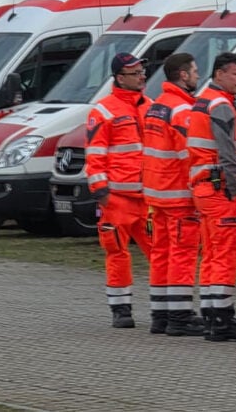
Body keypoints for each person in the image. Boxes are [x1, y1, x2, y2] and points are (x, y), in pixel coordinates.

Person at [187, 52, 236, 341]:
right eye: (235, 74)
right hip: (219, 190)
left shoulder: (202, 102)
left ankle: (211, 313)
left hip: (203, 187)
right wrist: (234, 186)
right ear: (218, 74)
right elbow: (228, 151)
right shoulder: (220, 105)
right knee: (225, 257)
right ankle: (222, 319)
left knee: (211, 255)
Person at [85, 52, 153, 329]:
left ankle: (172, 306)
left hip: (149, 197)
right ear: (119, 77)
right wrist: (101, 191)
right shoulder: (103, 110)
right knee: (116, 252)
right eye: (135, 72)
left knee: (163, 252)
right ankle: (120, 308)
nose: (141, 76)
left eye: (141, 72)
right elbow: (95, 153)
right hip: (117, 198)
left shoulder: (152, 106)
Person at [142, 52, 206, 337]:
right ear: (183, 75)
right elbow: (188, 153)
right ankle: (179, 316)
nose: (197, 76)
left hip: (157, 193)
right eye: (194, 71)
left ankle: (160, 314)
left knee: (161, 253)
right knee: (182, 253)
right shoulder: (181, 110)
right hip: (179, 194)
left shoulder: (156, 106)